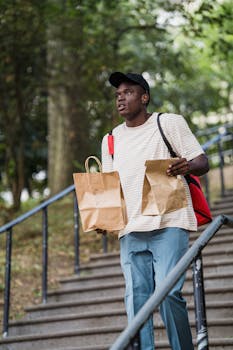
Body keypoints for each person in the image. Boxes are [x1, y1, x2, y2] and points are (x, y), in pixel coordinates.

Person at [100, 71, 209, 350]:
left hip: (169, 221)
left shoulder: (168, 123)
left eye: (128, 92)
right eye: (117, 95)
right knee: (136, 300)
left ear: (144, 97)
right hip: (130, 229)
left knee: (169, 293)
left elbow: (202, 162)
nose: (121, 98)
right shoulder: (110, 139)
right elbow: (109, 187)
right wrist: (103, 217)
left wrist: (186, 166)